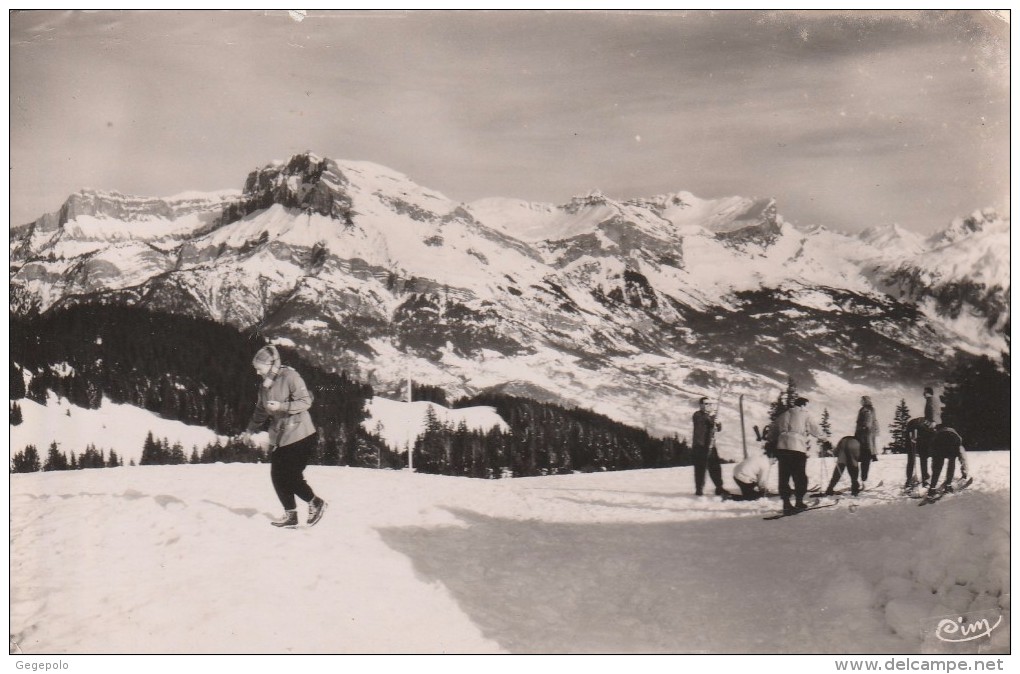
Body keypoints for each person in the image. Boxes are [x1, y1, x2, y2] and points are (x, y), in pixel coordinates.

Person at [240, 345, 327, 528]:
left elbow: (306, 401)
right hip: (282, 436)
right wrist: (249, 430)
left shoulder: (290, 377)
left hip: (301, 433)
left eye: (259, 368)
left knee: (290, 474)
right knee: (277, 475)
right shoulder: (265, 385)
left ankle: (316, 503)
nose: (257, 372)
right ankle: (291, 515)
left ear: (270, 364)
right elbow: (260, 410)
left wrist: (281, 406)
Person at [773, 397, 826, 514]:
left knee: (784, 476)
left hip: (782, 448)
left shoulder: (783, 415)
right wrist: (823, 437)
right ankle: (799, 501)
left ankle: (786, 503)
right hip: (797, 447)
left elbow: (773, 431)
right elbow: (814, 428)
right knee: (800, 475)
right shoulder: (804, 414)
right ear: (803, 405)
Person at [692, 396, 727, 496]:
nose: (709, 406)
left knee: (715, 467)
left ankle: (719, 488)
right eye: (706, 404)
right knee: (700, 468)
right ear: (701, 405)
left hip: (710, 445)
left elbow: (718, 429)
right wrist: (711, 418)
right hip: (700, 446)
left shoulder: (711, 416)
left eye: (710, 404)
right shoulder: (697, 415)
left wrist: (718, 422)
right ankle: (699, 490)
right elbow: (703, 420)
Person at [926, 424, 970, 499]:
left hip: (938, 440)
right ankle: (948, 486)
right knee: (951, 463)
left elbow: (935, 462)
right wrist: (964, 474)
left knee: (938, 465)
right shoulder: (958, 442)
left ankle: (932, 489)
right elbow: (963, 459)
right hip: (951, 439)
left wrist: (934, 474)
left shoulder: (939, 433)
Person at [854, 396, 880, 487]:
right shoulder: (868, 409)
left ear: (865, 401)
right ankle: (862, 480)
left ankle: (863, 481)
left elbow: (867, 423)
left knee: (865, 460)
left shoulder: (866, 409)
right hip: (866, 437)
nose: (860, 401)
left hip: (865, 438)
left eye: (862, 400)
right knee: (864, 460)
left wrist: (862, 429)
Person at [904, 417, 934, 489]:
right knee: (923, 457)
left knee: (912, 457)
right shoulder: (932, 431)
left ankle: (909, 481)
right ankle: (924, 480)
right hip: (920, 430)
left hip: (912, 427)